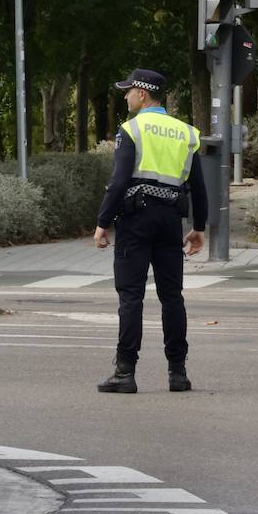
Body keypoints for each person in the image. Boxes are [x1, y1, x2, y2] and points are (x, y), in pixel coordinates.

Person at [93, 68, 207, 395]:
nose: (125, 96)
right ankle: (178, 373)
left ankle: (125, 373)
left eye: (128, 91)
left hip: (135, 222)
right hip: (171, 221)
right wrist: (199, 227)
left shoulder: (132, 129)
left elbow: (118, 182)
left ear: (143, 94)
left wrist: (103, 222)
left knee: (131, 296)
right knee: (172, 297)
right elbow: (198, 187)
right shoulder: (186, 132)